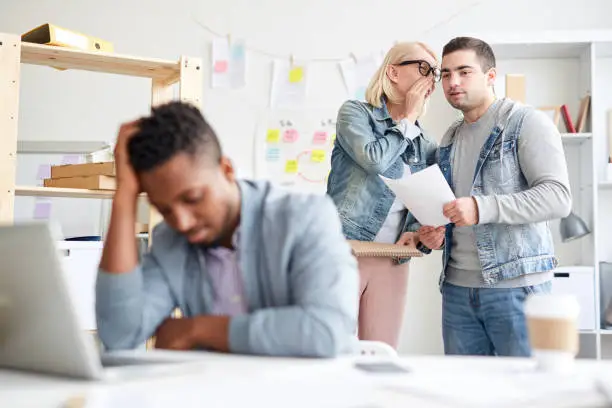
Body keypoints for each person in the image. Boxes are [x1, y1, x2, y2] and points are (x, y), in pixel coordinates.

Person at [95, 101, 359, 357]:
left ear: (227, 169)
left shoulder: (305, 217)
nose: (182, 222)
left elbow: (327, 329)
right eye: (164, 210)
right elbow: (119, 335)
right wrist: (124, 196)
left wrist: (201, 329)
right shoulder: (171, 241)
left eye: (193, 198)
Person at [419, 36, 572, 356]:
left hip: (518, 288)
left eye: (464, 71)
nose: (452, 82)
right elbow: (453, 210)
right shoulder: (449, 138)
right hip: (458, 292)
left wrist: (481, 207)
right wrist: (435, 234)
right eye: (445, 74)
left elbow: (558, 196)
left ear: (491, 77)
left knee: (526, 394)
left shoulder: (526, 123)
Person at [326, 42, 441, 349]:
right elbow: (375, 160)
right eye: (423, 68)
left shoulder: (427, 143)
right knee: (334, 352)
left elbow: (421, 205)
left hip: (392, 259)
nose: (431, 78)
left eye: (435, 73)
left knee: (382, 355)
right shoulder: (355, 113)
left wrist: (420, 234)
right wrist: (407, 120)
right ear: (392, 71)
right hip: (344, 252)